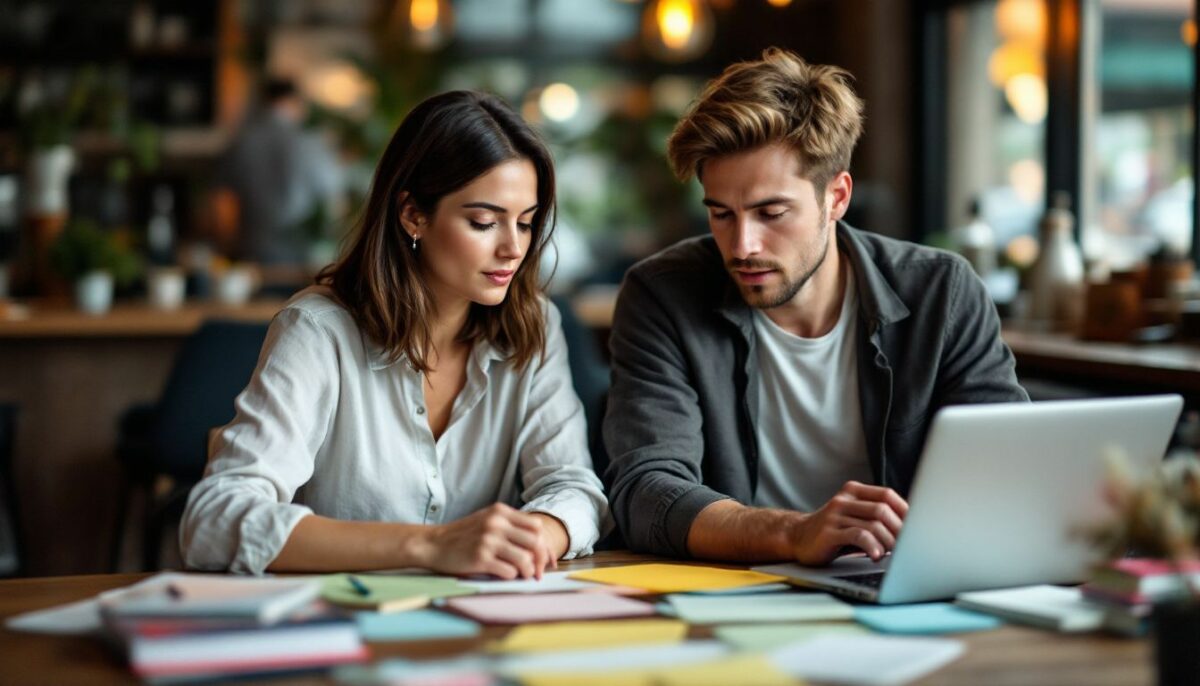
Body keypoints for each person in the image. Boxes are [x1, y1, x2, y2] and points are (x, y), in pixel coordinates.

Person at [603, 49, 1028, 565]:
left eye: (771, 212)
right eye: (721, 214)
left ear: (837, 197)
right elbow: (647, 493)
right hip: (737, 589)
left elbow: (1008, 472)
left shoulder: (942, 292)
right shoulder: (661, 296)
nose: (742, 246)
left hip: (902, 583)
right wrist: (793, 533)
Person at [182, 91, 609, 577]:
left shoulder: (533, 323)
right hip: (336, 623)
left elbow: (573, 487)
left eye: (527, 223)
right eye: (484, 222)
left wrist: (534, 535)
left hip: (475, 627)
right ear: (413, 214)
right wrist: (431, 546)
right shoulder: (319, 333)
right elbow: (213, 520)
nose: (513, 248)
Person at [217, 77, 344, 265]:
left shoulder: (240, 142)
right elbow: (334, 199)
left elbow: (220, 200)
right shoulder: (310, 142)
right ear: (294, 101)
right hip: (301, 254)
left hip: (252, 250)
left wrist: (226, 245)